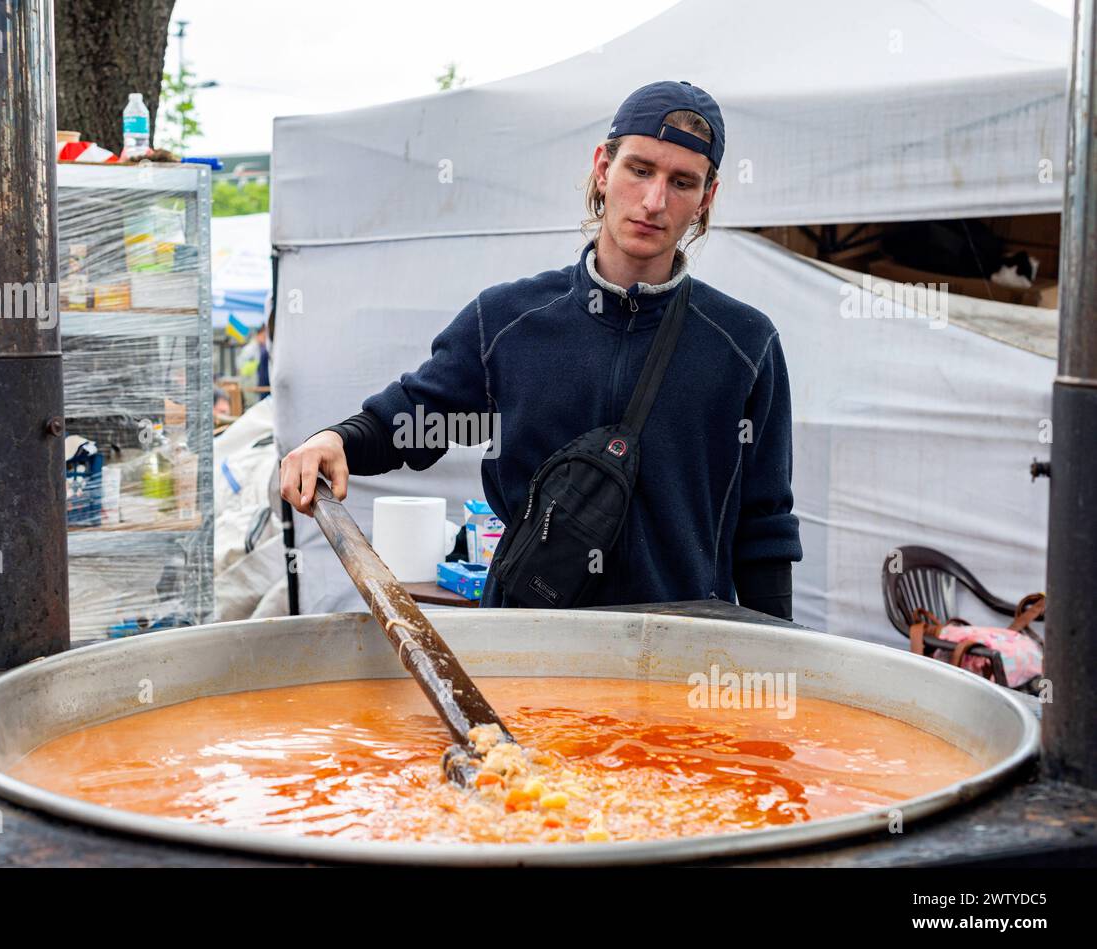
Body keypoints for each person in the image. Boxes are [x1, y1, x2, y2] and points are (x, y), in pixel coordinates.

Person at [279, 81, 801, 618]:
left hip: (681, 663)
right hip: (529, 646)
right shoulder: (510, 322)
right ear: (603, 167)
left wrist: (781, 659)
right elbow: (417, 418)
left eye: (682, 182)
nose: (654, 201)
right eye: (640, 170)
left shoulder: (744, 346)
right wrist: (337, 439)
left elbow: (765, 528)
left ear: (706, 199)